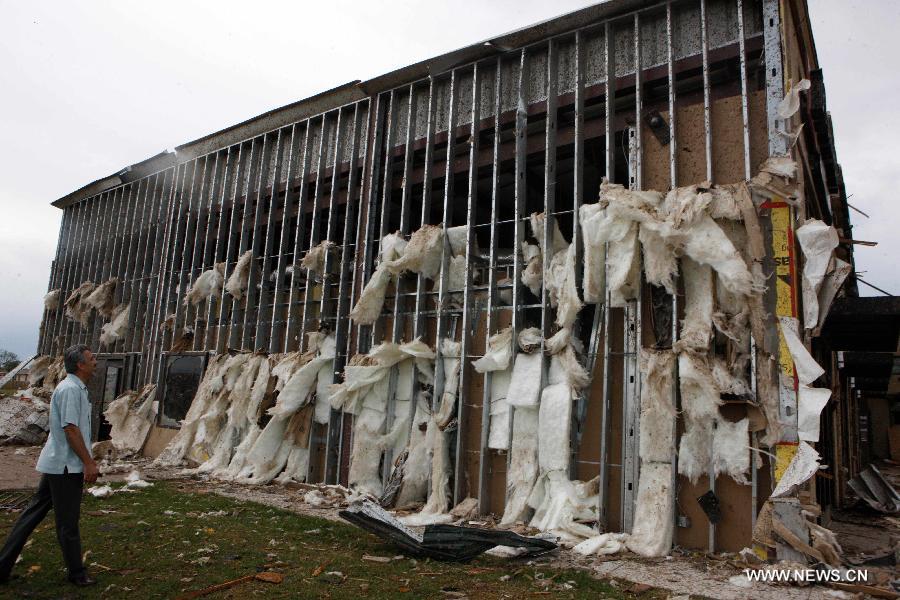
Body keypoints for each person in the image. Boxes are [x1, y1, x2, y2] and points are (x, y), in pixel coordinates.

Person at [0, 344, 99, 587]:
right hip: (65, 466)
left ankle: (2, 567)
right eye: (92, 358)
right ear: (80, 365)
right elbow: (70, 429)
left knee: (32, 514)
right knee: (68, 522)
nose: (96, 361)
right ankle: (77, 573)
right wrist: (88, 463)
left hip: (58, 463)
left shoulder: (77, 388)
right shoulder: (70, 390)